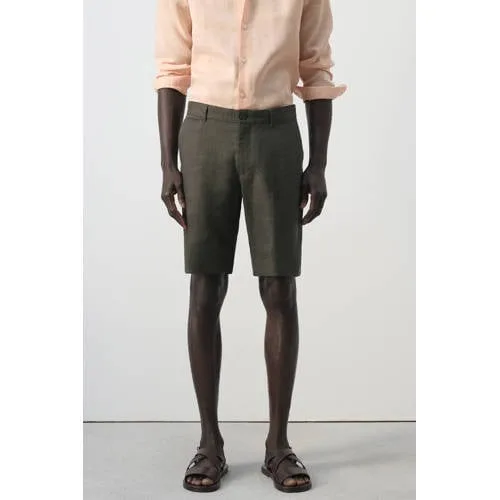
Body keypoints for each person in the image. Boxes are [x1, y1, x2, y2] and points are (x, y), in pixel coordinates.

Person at [154, 0, 346, 493]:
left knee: (280, 287)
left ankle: (278, 445)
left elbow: (316, 69)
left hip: (277, 134)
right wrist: (168, 164)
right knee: (205, 285)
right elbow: (173, 69)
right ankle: (209, 443)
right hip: (204, 133)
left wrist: (319, 164)